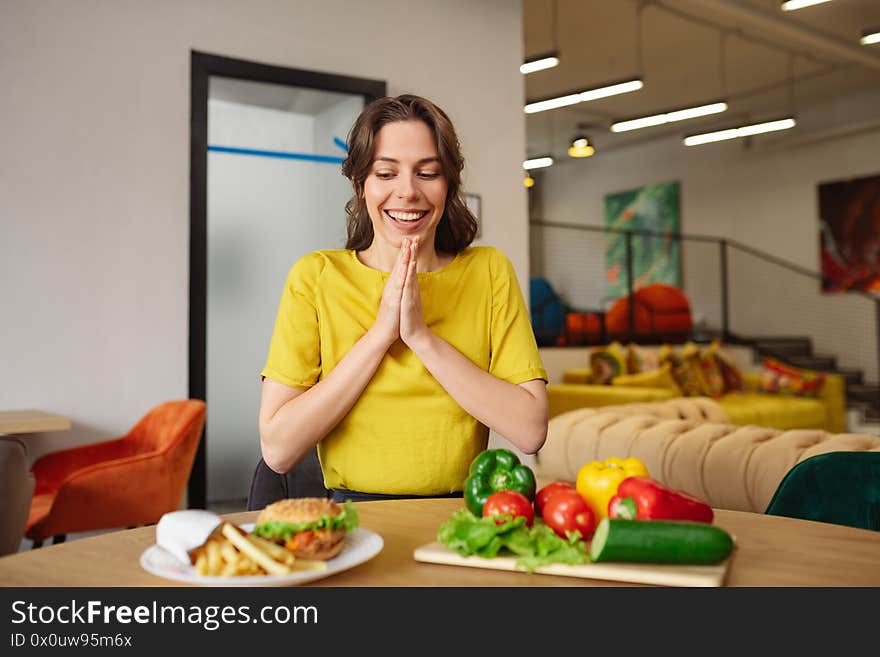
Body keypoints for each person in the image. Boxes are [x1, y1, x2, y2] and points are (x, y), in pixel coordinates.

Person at [251, 94, 548, 505]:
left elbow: (531, 430)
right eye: (386, 173)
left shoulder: (489, 271)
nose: (407, 192)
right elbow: (279, 450)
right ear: (361, 184)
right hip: (351, 517)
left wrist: (421, 337)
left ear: (449, 186)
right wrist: (380, 335)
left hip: (458, 516)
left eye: (427, 173)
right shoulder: (316, 276)